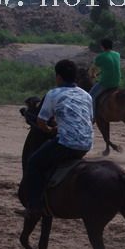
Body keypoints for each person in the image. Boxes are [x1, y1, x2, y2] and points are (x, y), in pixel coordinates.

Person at [25, 59, 93, 217]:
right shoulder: (86, 95)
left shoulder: (53, 93)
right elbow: (88, 118)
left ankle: (34, 206)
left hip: (66, 143)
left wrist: (50, 130)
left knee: (33, 163)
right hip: (86, 143)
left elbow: (41, 122)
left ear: (58, 77)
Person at [90, 38, 121, 119]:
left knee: (90, 96)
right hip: (117, 82)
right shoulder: (117, 54)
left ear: (102, 46)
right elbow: (109, 68)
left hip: (106, 83)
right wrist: (100, 73)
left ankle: (92, 117)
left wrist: (93, 75)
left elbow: (93, 69)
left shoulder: (101, 56)